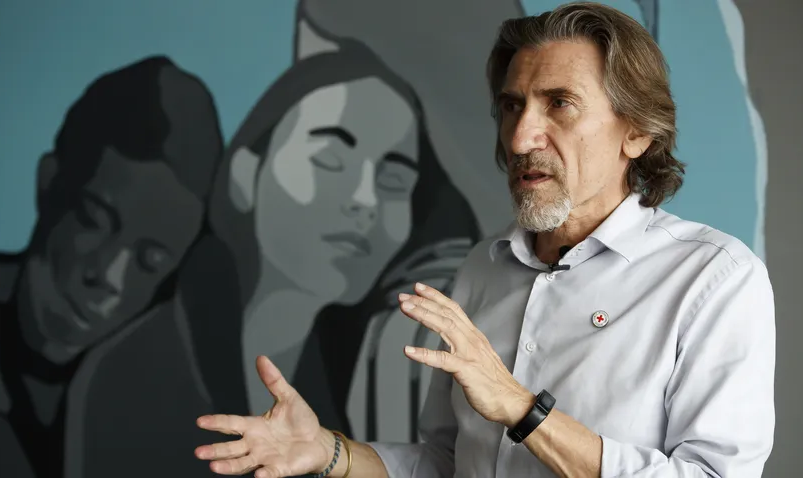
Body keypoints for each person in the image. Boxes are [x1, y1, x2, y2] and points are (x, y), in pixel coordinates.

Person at [192, 3, 775, 477]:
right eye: (512, 106)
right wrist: (331, 453)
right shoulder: (483, 267)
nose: (520, 138)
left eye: (560, 104)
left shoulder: (713, 279)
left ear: (638, 132)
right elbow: (449, 464)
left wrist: (522, 410)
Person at [177, 44, 479, 443]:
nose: (365, 200)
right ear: (245, 175)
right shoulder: (146, 367)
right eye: (329, 159)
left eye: (394, 181)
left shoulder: (360, 381)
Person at [0, 55, 224, 477]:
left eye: (150, 262)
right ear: (48, 183)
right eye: (93, 220)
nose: (108, 276)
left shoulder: (147, 414)